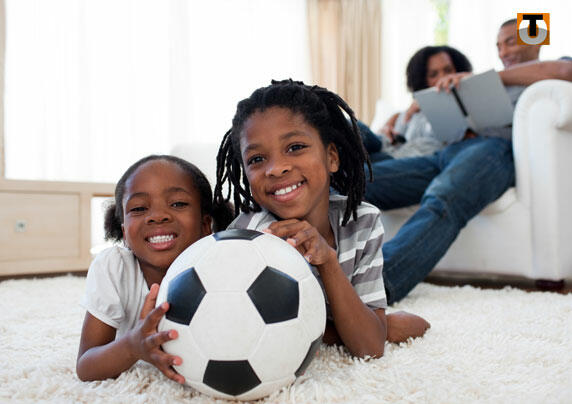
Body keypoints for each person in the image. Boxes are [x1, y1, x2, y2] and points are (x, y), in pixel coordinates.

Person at [213, 79, 430, 359]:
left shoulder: (362, 220)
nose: (276, 168)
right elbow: (245, 330)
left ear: (331, 158)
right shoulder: (249, 236)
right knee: (396, 325)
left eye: (295, 147)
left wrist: (327, 260)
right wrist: (357, 330)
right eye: (256, 159)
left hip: (352, 287)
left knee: (412, 323)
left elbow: (369, 348)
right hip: (344, 310)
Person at [364, 19, 572, 304]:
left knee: (443, 197)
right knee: (359, 181)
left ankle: (374, 286)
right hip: (445, 154)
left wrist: (487, 78)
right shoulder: (484, 86)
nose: (503, 51)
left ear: (534, 41)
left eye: (510, 42)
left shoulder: (546, 74)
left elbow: (565, 71)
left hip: (492, 152)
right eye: (498, 46)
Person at [76, 155, 232, 383]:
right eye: (139, 208)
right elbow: (86, 367)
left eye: (177, 204)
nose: (158, 216)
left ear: (206, 224)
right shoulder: (115, 268)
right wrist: (132, 346)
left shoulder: (224, 266)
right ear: (124, 233)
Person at [367, 45, 473, 161]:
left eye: (448, 70)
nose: (443, 77)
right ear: (423, 80)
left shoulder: (467, 109)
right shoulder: (409, 111)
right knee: (354, 128)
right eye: (433, 75)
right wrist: (388, 126)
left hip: (408, 159)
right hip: (386, 151)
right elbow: (385, 136)